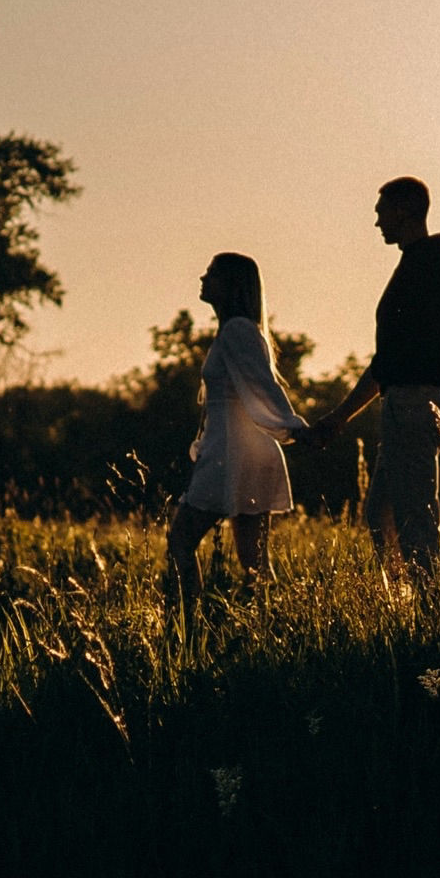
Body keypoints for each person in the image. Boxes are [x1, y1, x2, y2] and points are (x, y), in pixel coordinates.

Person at [305, 177, 440, 588]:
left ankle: (433, 605)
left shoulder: (433, 251)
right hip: (404, 402)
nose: (377, 222)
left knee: (414, 518)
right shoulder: (409, 268)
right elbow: (384, 367)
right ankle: (407, 600)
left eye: (381, 212)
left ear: (402, 211)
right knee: (381, 511)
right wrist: (340, 417)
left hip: (415, 404)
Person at [164, 252, 309, 621]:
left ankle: (185, 625)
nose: (203, 278)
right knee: (254, 561)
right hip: (238, 452)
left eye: (211, 273)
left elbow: (264, 387)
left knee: (181, 540)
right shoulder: (236, 330)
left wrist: (295, 427)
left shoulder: (237, 330)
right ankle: (269, 627)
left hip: (233, 455)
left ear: (230, 285)